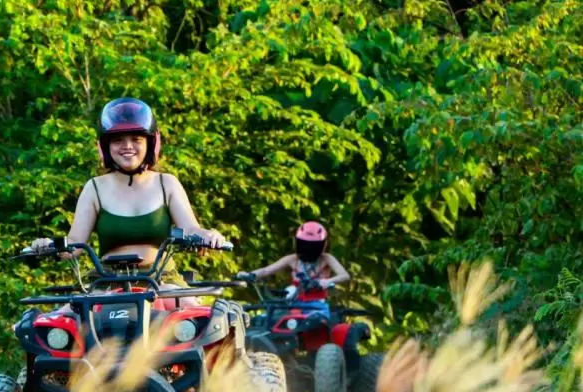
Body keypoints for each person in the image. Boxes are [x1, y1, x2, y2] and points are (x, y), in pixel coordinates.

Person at [29, 97, 227, 305]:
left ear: (150, 143)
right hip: (104, 283)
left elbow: (191, 229)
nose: (127, 146)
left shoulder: (166, 183)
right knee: (57, 325)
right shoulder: (94, 187)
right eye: (117, 140)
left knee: (198, 320)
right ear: (105, 146)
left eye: (136, 139)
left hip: (160, 281)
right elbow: (75, 245)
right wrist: (49, 245)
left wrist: (207, 235)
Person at [237, 221, 349, 316]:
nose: (308, 249)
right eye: (305, 244)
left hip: (316, 303)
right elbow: (267, 270)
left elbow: (344, 276)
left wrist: (327, 281)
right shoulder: (293, 259)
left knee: (316, 323)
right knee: (268, 317)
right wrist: (248, 275)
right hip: (292, 300)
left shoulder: (326, 258)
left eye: (313, 245)